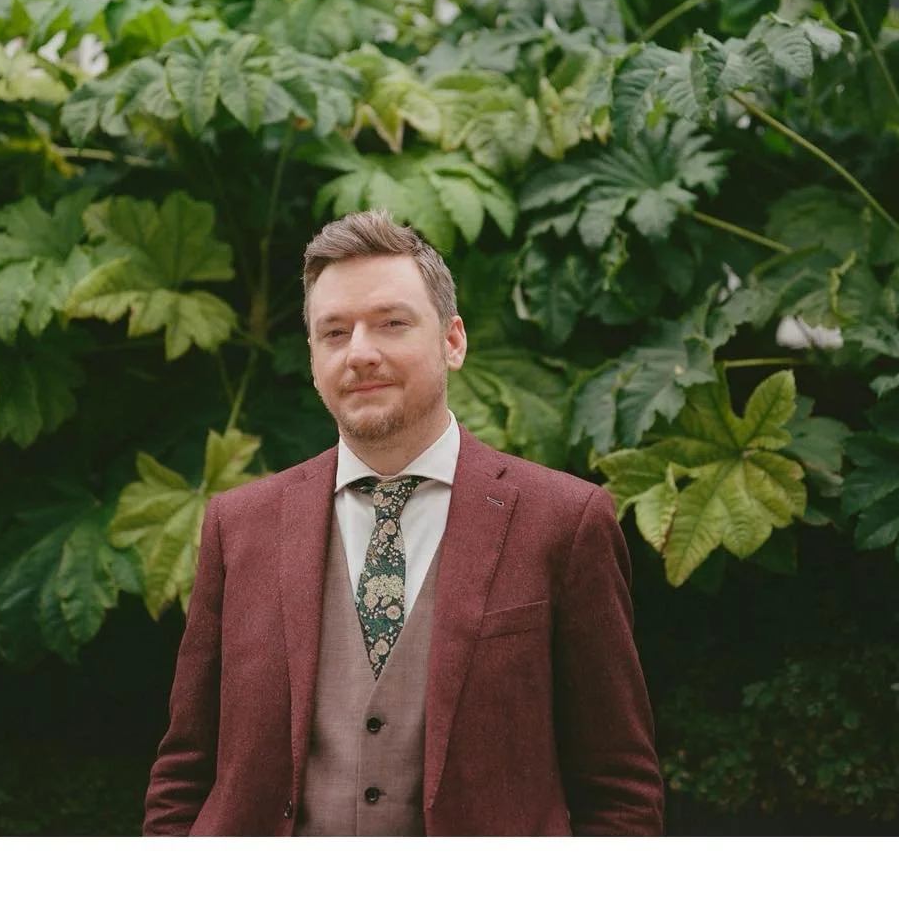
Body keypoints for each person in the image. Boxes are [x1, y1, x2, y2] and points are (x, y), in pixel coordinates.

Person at [143, 208, 665, 836]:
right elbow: (184, 773)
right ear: (312, 358)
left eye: (392, 323)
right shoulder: (239, 526)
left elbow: (619, 788)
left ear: (452, 341)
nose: (360, 353)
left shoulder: (564, 521)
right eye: (334, 332)